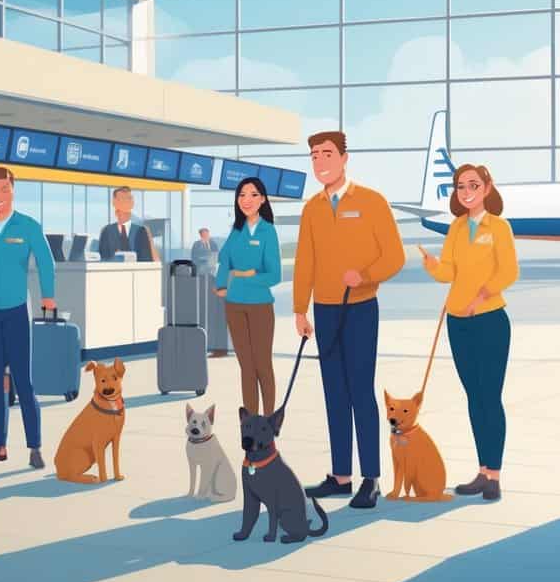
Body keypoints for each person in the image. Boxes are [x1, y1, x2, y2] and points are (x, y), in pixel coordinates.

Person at [294, 130, 404, 510]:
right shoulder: (311, 208)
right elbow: (304, 262)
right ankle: (341, 475)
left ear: (344, 158)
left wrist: (366, 275)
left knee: (360, 393)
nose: (320, 162)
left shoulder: (372, 202)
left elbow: (395, 256)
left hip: (360, 309)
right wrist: (299, 309)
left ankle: (370, 478)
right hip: (324, 311)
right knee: (334, 395)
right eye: (314, 156)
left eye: (326, 154)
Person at [422, 164, 518, 501]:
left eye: (472, 185)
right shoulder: (457, 228)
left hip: (490, 321)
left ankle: (495, 474)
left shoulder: (500, 227)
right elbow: (449, 272)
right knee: (474, 398)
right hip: (458, 322)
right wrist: (434, 266)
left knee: (490, 397)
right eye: (460, 186)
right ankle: (481, 471)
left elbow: (510, 271)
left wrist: (483, 294)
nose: (465, 192)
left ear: (487, 187)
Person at [0, 166, 56, 470]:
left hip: (16, 310)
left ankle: (35, 446)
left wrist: (48, 295)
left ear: (13, 190)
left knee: (23, 381)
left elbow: (45, 260)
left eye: (4, 189)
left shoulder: (28, 226)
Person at [214, 177, 281, 415]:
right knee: (246, 367)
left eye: (253, 195)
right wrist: (221, 283)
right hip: (234, 305)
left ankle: (270, 418)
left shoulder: (268, 231)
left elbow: (274, 275)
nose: (246, 200)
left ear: (262, 199)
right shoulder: (237, 230)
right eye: (242, 195)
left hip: (260, 306)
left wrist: (247, 276)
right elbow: (224, 260)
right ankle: (251, 422)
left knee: (263, 365)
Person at [97, 186, 158, 262]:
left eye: (130, 198)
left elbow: (147, 260)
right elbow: (102, 259)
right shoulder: (107, 231)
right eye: (123, 199)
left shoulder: (141, 231)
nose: (128, 202)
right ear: (114, 202)